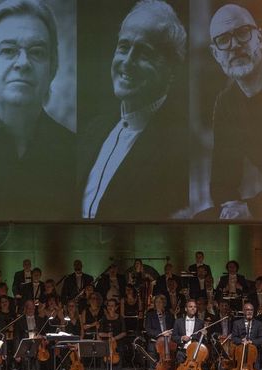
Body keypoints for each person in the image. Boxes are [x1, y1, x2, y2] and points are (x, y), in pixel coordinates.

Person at [0, 0, 76, 220]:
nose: (23, 63)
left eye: (37, 52)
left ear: (52, 69)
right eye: (8, 50)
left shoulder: (76, 152)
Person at [79, 0, 188, 220]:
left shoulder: (179, 149)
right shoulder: (92, 130)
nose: (127, 62)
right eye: (123, 47)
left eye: (144, 53)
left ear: (172, 69)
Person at [208, 3, 262, 220]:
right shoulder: (225, 103)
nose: (234, 45)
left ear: (259, 38)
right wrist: (232, 208)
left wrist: (252, 208)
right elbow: (222, 183)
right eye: (223, 39)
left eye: (242, 33)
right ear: (215, 54)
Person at [171, 300, 205, 370]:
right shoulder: (178, 322)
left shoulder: (200, 323)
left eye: (194, 307)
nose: (193, 308)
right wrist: (181, 338)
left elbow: (201, 340)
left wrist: (204, 335)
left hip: (195, 354)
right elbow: (173, 337)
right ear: (186, 309)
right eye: (190, 307)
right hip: (182, 352)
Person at [231, 302, 262, 370]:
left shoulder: (258, 323)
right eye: (247, 310)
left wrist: (252, 342)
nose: (249, 312)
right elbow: (234, 338)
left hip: (253, 356)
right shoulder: (237, 323)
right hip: (241, 355)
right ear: (243, 311)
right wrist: (241, 341)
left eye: (251, 310)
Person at [144, 295, 175, 370]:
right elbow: (148, 330)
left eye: (161, 302)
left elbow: (174, 328)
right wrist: (161, 334)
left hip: (166, 345)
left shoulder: (170, 316)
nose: (159, 304)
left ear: (164, 304)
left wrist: (170, 333)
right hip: (154, 345)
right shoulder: (150, 315)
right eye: (157, 302)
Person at [14, 300, 45, 370]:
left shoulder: (39, 319)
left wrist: (41, 336)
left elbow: (44, 333)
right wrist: (17, 353)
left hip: (37, 348)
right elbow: (16, 337)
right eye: (29, 308)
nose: (31, 310)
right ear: (25, 309)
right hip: (25, 348)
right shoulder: (20, 320)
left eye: (32, 308)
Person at [99, 298, 126, 370]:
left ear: (116, 307)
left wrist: (114, 338)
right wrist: (107, 335)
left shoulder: (120, 318)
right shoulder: (104, 318)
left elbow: (124, 332)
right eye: (109, 306)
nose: (110, 308)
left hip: (117, 347)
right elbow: (100, 333)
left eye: (112, 306)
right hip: (106, 346)